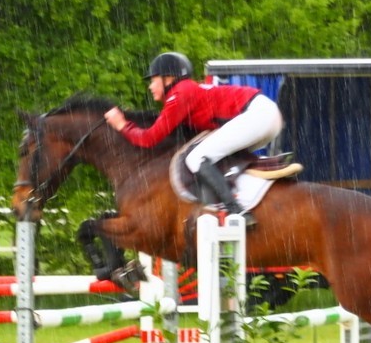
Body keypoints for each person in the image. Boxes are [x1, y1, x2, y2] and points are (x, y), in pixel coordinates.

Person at [103, 52, 283, 222]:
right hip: (265, 115)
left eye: (153, 80)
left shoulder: (180, 93)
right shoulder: (185, 91)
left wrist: (121, 125)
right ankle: (238, 199)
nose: (150, 86)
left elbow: (149, 139)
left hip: (258, 115)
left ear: (169, 78)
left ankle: (236, 211)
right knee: (214, 157)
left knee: (196, 158)